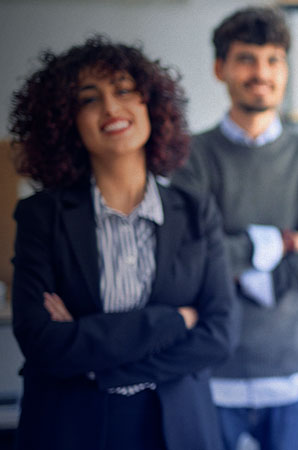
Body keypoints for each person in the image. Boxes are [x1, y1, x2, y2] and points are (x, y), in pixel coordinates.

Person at [8, 36, 238, 450]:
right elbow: (41, 342)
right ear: (67, 122)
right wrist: (174, 321)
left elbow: (220, 333)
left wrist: (93, 357)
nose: (111, 108)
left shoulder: (195, 210)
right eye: (89, 99)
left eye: (124, 90)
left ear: (150, 105)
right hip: (69, 428)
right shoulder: (41, 216)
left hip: (178, 427)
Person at [171, 6, 298, 450]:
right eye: (246, 59)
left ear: (285, 70)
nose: (261, 73)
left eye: (273, 60)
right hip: (212, 370)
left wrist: (240, 265)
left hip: (293, 371)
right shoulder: (190, 157)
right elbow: (186, 259)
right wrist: (280, 242)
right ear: (220, 68)